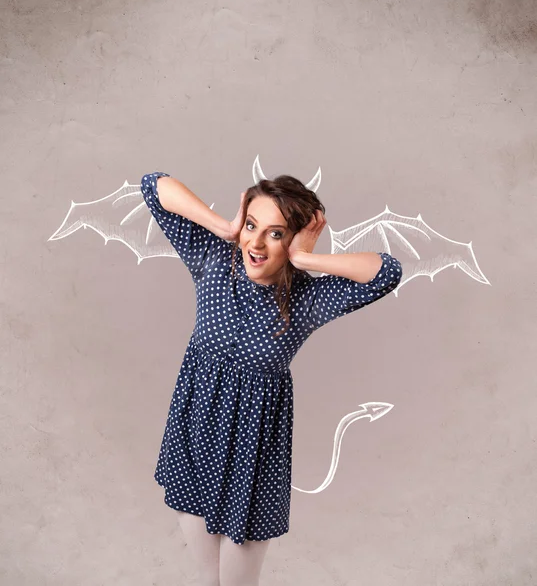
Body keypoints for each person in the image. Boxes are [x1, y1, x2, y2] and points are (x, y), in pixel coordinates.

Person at [140, 171, 402, 586]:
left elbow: (386, 272)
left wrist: (306, 261)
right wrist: (226, 226)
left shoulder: (307, 298)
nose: (256, 244)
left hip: (252, 459)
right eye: (251, 226)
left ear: (294, 239)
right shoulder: (213, 261)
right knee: (209, 580)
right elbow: (153, 185)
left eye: (275, 234)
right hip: (192, 441)